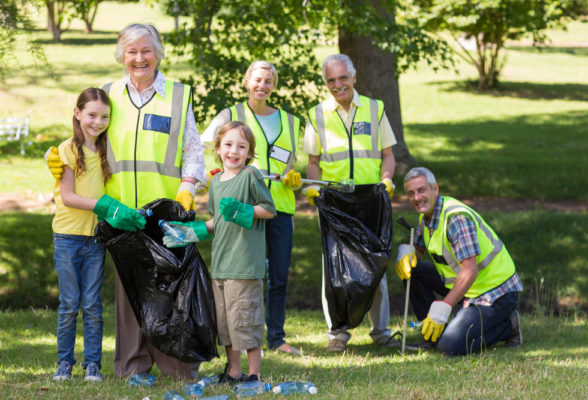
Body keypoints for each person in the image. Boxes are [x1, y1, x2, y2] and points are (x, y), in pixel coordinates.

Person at [46, 24, 206, 379]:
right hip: (120, 213)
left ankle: (178, 366)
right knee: (129, 292)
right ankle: (133, 366)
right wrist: (53, 153)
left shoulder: (178, 96)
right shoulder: (107, 94)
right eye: (131, 51)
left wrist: (188, 187)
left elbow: (194, 150)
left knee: (171, 290)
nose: (139, 58)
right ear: (121, 55)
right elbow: (83, 136)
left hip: (165, 212)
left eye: (146, 51)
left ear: (158, 53)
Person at [200, 61, 302, 355]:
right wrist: (213, 174)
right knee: (244, 275)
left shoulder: (291, 121)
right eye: (257, 79)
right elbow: (205, 145)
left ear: (274, 85)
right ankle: (239, 335)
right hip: (240, 211)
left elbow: (298, 163)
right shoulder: (230, 115)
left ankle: (277, 337)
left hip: (279, 207)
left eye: (268, 81)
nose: (263, 85)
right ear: (247, 82)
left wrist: (294, 178)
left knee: (279, 275)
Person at [303, 53, 399, 352]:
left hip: (371, 199)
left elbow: (387, 155)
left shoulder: (374, 109)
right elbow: (313, 162)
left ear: (354, 77)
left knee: (376, 263)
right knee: (334, 267)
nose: (338, 84)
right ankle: (338, 334)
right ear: (325, 83)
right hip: (334, 201)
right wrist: (315, 190)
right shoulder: (316, 114)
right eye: (331, 80)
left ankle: (381, 331)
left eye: (343, 77)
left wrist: (386, 181)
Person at [51, 88, 146, 382]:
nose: (98, 122)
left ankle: (93, 364)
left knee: (92, 304)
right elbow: (68, 197)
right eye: (91, 115)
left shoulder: (107, 151)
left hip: (94, 239)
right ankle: (64, 363)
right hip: (67, 237)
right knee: (69, 304)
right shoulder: (67, 151)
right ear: (78, 114)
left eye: (104, 116)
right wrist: (105, 206)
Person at [397, 167, 523, 356]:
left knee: (450, 347)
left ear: (435, 189)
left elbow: (470, 270)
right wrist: (407, 253)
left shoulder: (456, 219)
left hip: (494, 292)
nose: (416, 197)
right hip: (468, 286)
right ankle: (431, 335)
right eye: (411, 193)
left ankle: (509, 325)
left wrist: (444, 307)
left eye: (421, 190)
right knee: (413, 271)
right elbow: (421, 248)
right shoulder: (427, 216)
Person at [205, 121, 276, 382]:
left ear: (249, 152)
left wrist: (244, 211)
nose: (234, 151)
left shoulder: (250, 176)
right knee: (226, 326)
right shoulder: (214, 182)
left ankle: (254, 374)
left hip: (245, 265)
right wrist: (195, 230)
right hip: (221, 265)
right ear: (218, 148)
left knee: (246, 322)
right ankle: (234, 371)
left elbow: (269, 209)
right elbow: (218, 220)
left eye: (241, 146)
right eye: (228, 144)